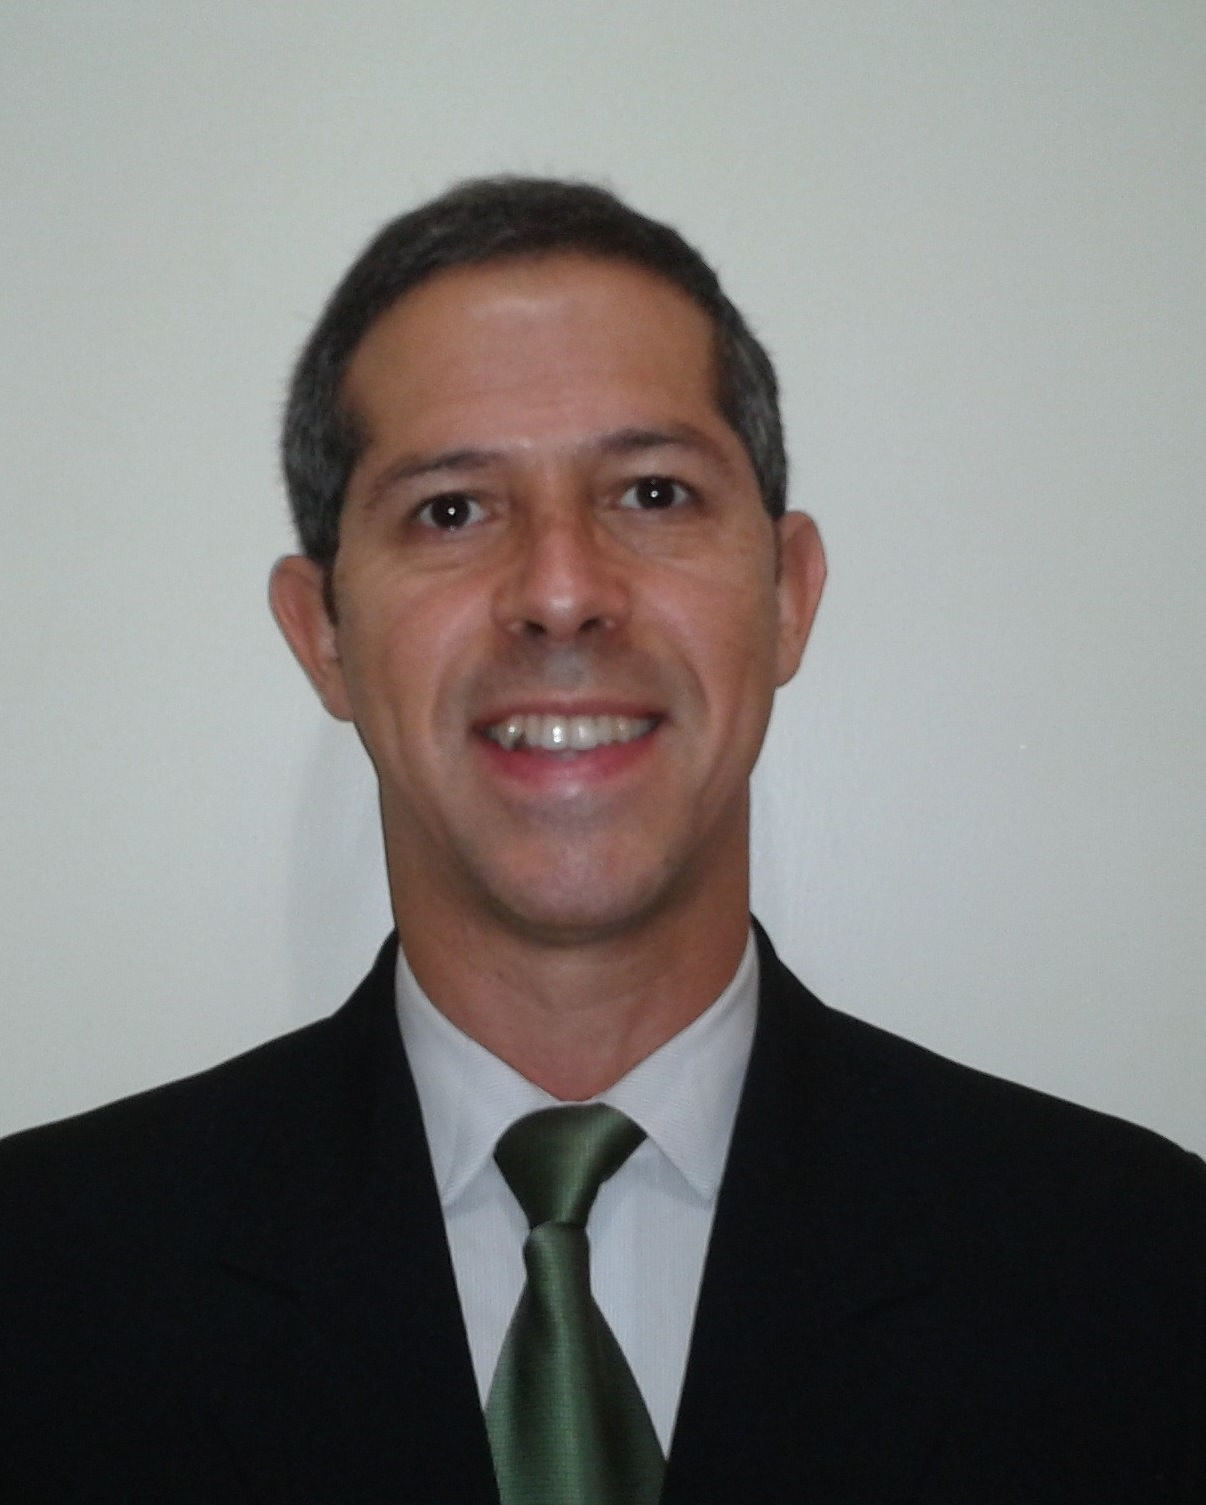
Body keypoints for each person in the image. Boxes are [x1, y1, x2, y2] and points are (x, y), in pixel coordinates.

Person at [1, 178, 1203, 1505]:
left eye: (651, 491)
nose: (562, 592)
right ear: (322, 635)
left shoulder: (1143, 1275)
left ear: (788, 595)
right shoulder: (40, 1281)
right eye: (451, 509)